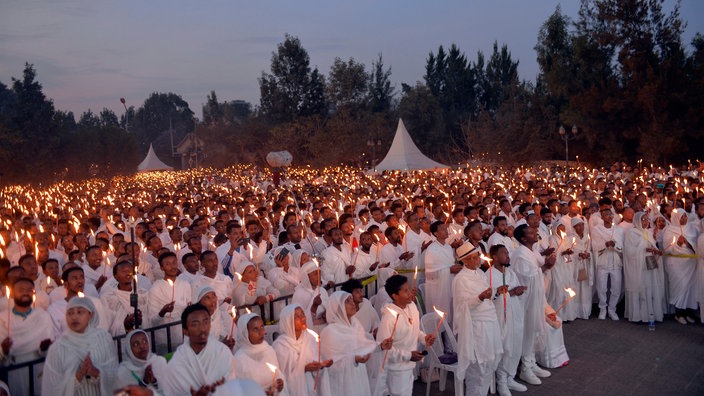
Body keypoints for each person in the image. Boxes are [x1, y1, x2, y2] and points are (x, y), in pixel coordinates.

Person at [452, 243, 503, 396]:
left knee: (488, 365)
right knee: (478, 368)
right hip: (476, 327)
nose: (477, 261)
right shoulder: (461, 279)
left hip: (490, 324)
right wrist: (480, 297)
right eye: (473, 258)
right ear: (464, 261)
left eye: (477, 257)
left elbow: (487, 293)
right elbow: (463, 306)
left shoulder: (480, 273)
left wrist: (495, 292)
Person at [41, 297, 118, 395]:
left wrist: (96, 372)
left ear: (91, 315)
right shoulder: (58, 347)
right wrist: (79, 376)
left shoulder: (104, 339)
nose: (74, 317)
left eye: (80, 312)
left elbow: (114, 373)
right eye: (70, 313)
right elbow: (52, 386)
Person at [321, 291, 388, 396]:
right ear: (338, 308)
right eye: (347, 301)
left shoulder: (355, 325)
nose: (353, 303)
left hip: (358, 376)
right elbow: (329, 365)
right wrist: (353, 359)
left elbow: (363, 347)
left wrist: (380, 346)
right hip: (341, 383)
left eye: (351, 299)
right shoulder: (330, 332)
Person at [511, 225, 553, 386]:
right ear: (523, 238)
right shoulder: (520, 254)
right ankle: (525, 369)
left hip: (535, 297)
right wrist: (546, 266)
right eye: (530, 232)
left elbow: (537, 271)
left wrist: (546, 265)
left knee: (534, 331)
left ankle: (531, 361)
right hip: (525, 300)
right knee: (528, 331)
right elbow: (527, 277)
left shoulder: (532, 251)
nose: (535, 232)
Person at [376, 274, 432, 396]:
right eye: (405, 291)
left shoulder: (411, 306)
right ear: (395, 296)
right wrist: (408, 355)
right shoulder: (389, 317)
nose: (410, 293)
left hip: (409, 366)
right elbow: (383, 348)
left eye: (409, 289)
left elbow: (415, 331)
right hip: (395, 369)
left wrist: (424, 338)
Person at [163, 303, 236, 396]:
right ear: (185, 331)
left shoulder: (223, 353)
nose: (202, 328)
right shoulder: (177, 363)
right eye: (195, 324)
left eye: (206, 322)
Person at [0, 278, 54, 396]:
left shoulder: (42, 315)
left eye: (29, 290)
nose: (25, 292)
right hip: (15, 369)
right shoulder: (3, 318)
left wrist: (45, 348)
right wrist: (3, 349)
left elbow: (51, 344)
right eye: (21, 290)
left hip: (39, 366)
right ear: (13, 293)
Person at [488, 245, 528, 396]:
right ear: (495, 257)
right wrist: (510, 292)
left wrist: (519, 290)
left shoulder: (510, 272)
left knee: (515, 345)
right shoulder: (489, 274)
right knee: (505, 347)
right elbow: (491, 296)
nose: (507, 256)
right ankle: (501, 381)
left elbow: (515, 290)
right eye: (504, 253)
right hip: (500, 318)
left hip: (515, 314)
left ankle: (510, 376)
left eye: (507, 253)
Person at [273, 304, 333, 396]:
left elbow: (317, 361)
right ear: (288, 321)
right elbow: (281, 377)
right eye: (297, 316)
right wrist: (303, 369)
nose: (303, 318)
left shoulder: (310, 338)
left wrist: (321, 365)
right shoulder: (280, 346)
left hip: (312, 390)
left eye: (303, 314)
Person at [623, 212, 666, 323]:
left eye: (647, 219)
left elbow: (651, 245)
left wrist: (656, 251)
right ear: (637, 220)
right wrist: (644, 250)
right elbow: (628, 251)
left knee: (650, 289)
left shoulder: (648, 232)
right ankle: (638, 316)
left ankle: (650, 314)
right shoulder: (631, 233)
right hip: (638, 266)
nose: (646, 221)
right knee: (640, 289)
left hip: (649, 263)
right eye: (643, 219)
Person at [234, 313, 287, 395]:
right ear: (245, 333)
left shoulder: (268, 350)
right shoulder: (239, 359)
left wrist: (279, 385)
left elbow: (277, 375)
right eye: (255, 329)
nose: (261, 332)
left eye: (262, 326)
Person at [424, 221, 463, 327]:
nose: (446, 231)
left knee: (451, 310)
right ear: (435, 233)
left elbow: (449, 263)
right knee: (440, 316)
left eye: (446, 228)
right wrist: (449, 270)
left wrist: (456, 267)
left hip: (450, 282)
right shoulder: (432, 249)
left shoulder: (448, 247)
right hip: (437, 288)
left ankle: (450, 338)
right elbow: (430, 273)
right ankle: (439, 338)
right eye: (442, 229)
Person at [662, 209, 698, 324]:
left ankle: (688, 312)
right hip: (676, 264)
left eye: (685, 216)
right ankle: (679, 313)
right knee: (680, 287)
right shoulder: (668, 230)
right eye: (681, 217)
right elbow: (666, 248)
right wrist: (677, 243)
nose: (684, 219)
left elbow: (698, 244)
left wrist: (687, 243)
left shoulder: (692, 228)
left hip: (690, 264)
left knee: (690, 288)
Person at [100, 260, 150, 336]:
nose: (128, 274)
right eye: (124, 271)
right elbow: (107, 325)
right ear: (116, 276)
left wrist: (141, 319)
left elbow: (149, 319)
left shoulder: (142, 294)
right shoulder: (108, 298)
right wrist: (124, 324)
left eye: (130, 271)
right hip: (121, 340)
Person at [591, 208, 624, 320]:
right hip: (603, 261)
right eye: (606, 215)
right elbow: (594, 245)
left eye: (611, 214)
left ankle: (612, 309)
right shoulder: (596, 229)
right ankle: (603, 308)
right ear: (602, 217)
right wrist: (604, 244)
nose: (609, 217)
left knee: (616, 288)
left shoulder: (619, 230)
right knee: (601, 287)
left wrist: (615, 245)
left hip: (615, 261)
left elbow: (622, 245)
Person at [292, 260, 328, 333]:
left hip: (325, 329)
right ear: (306, 277)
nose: (319, 276)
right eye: (315, 274)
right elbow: (299, 319)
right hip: (311, 332)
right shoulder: (299, 294)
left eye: (319, 273)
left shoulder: (322, 290)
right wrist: (314, 307)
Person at [570, 217, 594, 319]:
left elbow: (591, 250)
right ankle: (575, 312)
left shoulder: (587, 237)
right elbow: (569, 252)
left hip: (586, 265)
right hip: (575, 266)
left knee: (585, 288)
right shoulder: (570, 237)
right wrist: (578, 254)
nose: (581, 227)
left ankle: (585, 312)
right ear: (574, 227)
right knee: (576, 287)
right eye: (578, 225)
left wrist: (588, 255)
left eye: (582, 225)